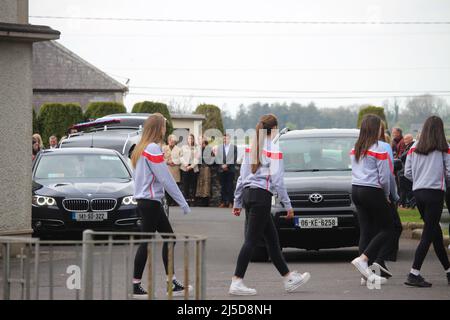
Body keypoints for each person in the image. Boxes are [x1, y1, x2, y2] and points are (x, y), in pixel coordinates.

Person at [229, 114, 310, 296]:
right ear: (273, 129)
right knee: (251, 241)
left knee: (272, 241)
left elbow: (241, 179)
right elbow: (278, 181)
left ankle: (288, 277)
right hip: (261, 197)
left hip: (249, 196)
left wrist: (237, 201)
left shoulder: (251, 148)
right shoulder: (274, 149)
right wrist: (288, 205)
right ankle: (237, 280)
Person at [131, 113, 192, 299]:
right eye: (164, 126)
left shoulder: (139, 148)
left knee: (168, 238)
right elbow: (166, 179)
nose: (166, 129)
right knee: (148, 242)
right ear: (158, 128)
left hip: (145, 201)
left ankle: (170, 282)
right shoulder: (153, 148)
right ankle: (137, 285)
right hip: (150, 202)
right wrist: (183, 202)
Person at [404, 116, 450, 287]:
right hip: (435, 193)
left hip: (419, 192)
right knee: (429, 233)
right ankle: (413, 273)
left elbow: (407, 172)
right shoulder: (443, 147)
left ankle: (448, 271)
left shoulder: (414, 147)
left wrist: (419, 178)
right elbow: (449, 172)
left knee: (435, 232)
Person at [350, 114, 394, 286]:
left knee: (366, 230)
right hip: (372, 190)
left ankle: (365, 275)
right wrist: (387, 195)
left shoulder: (356, 148)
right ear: (376, 129)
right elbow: (385, 178)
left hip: (356, 189)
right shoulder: (379, 149)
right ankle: (363, 259)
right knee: (388, 228)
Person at [378, 122, 402, 264]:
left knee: (372, 228)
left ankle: (371, 262)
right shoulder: (385, 147)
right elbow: (389, 174)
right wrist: (393, 194)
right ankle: (382, 258)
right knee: (394, 227)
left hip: (363, 191)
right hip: (383, 192)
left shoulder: (359, 146)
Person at [215, 133, 238, 208]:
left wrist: (227, 165)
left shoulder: (234, 147)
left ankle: (231, 202)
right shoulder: (219, 147)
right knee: (223, 187)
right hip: (221, 170)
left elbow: (234, 158)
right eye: (224, 138)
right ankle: (223, 202)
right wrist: (222, 165)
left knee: (230, 186)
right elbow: (217, 158)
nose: (225, 140)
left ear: (229, 139)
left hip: (230, 170)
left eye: (227, 138)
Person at [180, 134, 200, 205]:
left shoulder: (196, 148)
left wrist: (191, 166)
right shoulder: (183, 147)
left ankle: (193, 199)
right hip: (185, 167)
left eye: (191, 139)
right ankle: (186, 199)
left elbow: (197, 158)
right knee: (186, 184)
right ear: (187, 140)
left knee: (193, 184)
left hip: (193, 168)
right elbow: (181, 157)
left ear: (193, 139)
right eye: (189, 139)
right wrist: (185, 164)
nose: (190, 140)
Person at [162, 134, 182, 205]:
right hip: (167, 170)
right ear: (168, 141)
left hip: (175, 171)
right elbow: (160, 158)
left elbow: (181, 159)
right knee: (167, 187)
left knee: (175, 187)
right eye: (170, 140)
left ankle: (174, 202)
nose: (171, 142)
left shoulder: (179, 149)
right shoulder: (164, 148)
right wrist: (167, 162)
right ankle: (167, 201)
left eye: (173, 141)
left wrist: (174, 161)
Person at [398, 134, 415, 208]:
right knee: (404, 189)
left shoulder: (411, 147)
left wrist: (399, 157)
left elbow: (402, 156)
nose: (404, 141)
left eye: (406, 139)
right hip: (404, 170)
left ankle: (411, 203)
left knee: (407, 189)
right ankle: (404, 203)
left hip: (405, 171)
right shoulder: (408, 146)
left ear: (410, 139)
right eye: (404, 139)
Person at [196, 138, 213, 207]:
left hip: (206, 167)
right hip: (200, 168)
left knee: (206, 184)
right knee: (200, 183)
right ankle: (201, 200)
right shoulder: (200, 149)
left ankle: (205, 201)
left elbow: (211, 159)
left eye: (201, 142)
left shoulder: (208, 149)